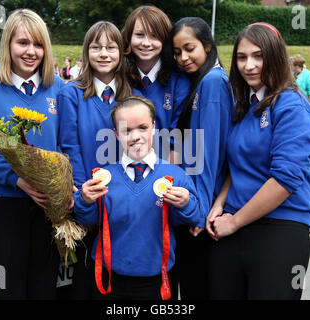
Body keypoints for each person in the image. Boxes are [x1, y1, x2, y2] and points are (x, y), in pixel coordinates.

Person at [206, 22, 310, 300]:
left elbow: (284, 181)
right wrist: (220, 204)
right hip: (232, 226)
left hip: (279, 230)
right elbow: (240, 164)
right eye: (242, 57)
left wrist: (234, 222)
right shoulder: (246, 104)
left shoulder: (292, 106)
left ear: (275, 57)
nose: (249, 65)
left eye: (258, 56)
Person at [0, 9, 65, 299]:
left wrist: (59, 184)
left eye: (38, 44)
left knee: (44, 289)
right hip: (6, 208)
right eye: (22, 43)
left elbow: (67, 144)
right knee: (5, 290)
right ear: (8, 45)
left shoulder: (59, 89)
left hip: (48, 209)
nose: (31, 51)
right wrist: (17, 179)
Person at [73, 95, 205, 300]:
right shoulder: (102, 177)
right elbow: (89, 221)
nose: (135, 136)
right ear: (116, 134)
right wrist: (84, 201)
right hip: (108, 280)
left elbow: (196, 218)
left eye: (142, 128)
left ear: (153, 127)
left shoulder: (175, 175)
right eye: (127, 130)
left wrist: (186, 203)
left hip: (156, 281)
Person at [57, 20, 134, 299]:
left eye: (111, 47)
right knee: (88, 277)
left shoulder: (131, 93)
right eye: (96, 47)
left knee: (119, 277)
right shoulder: (72, 93)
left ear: (122, 52)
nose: (104, 53)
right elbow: (70, 145)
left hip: (124, 199)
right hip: (87, 197)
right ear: (86, 52)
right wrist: (82, 192)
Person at [169, 17, 235, 299]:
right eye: (177, 52)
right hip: (196, 200)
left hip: (202, 209)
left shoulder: (214, 81)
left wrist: (201, 209)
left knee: (198, 287)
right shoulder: (200, 81)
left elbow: (210, 153)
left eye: (189, 48)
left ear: (207, 46)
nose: (183, 58)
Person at [122, 5, 190, 160]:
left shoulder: (180, 78)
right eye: (139, 35)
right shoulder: (119, 75)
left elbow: (177, 138)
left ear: (165, 39)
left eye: (154, 36)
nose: (146, 43)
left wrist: (167, 178)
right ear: (129, 38)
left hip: (164, 167)